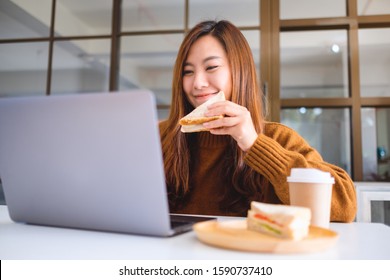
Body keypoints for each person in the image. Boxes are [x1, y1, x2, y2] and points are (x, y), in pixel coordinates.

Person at [159, 20, 357, 222]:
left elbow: (345, 206)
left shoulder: (276, 137)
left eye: (211, 67)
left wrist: (254, 144)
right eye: (188, 72)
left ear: (240, 71)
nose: (198, 83)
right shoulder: (159, 136)